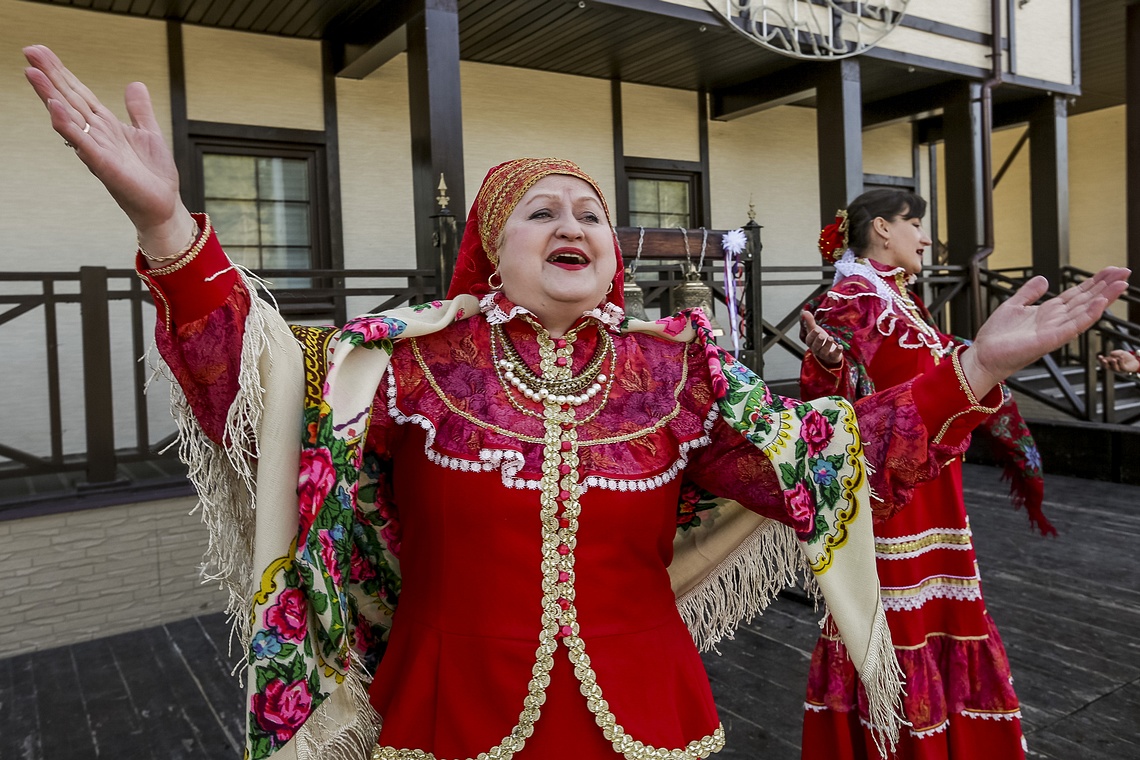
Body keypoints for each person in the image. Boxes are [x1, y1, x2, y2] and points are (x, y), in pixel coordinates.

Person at [23, 45, 1131, 760]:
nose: (573, 223)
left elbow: (826, 456)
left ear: (610, 256)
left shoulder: (678, 372)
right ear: (492, 256)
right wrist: (173, 234)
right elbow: (258, 396)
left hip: (651, 725)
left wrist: (977, 368)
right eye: (539, 210)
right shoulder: (406, 365)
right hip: (445, 726)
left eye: (591, 214)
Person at [797, 188, 1074, 759]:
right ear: (881, 229)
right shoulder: (850, 300)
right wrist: (825, 362)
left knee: (941, 612)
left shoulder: (898, 298)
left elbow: (942, 369)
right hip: (893, 495)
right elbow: (829, 411)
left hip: (934, 483)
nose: (925, 237)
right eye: (916, 224)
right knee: (897, 619)